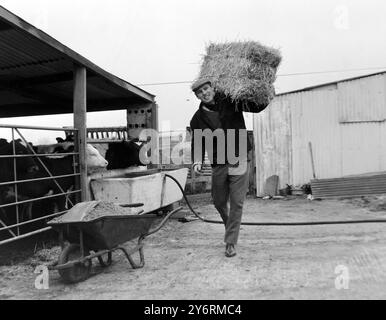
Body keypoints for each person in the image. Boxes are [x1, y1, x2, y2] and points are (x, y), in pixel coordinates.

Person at [189, 78, 269, 257]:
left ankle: (230, 242)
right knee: (218, 201)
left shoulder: (231, 101)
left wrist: (266, 95)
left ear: (212, 88)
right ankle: (230, 228)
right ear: (197, 96)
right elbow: (197, 141)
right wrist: (196, 160)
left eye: (206, 88)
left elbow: (254, 107)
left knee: (236, 202)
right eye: (200, 92)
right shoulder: (197, 119)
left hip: (238, 157)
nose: (205, 93)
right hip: (218, 162)